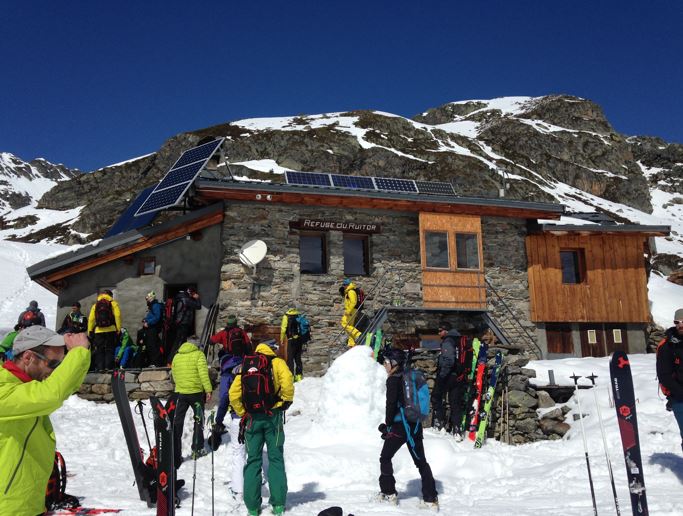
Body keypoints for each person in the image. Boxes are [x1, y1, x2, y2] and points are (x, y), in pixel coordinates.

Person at [0, 326, 90, 516]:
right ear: (28, 357)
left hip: (28, 504)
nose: (55, 373)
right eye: (54, 365)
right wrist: (78, 353)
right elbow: (51, 395)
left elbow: (66, 385)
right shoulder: (3, 389)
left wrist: (80, 356)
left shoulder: (24, 387)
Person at [229, 341, 294, 516]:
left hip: (252, 420)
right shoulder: (277, 362)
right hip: (273, 417)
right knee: (275, 459)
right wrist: (284, 402)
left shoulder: (246, 365)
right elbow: (287, 382)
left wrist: (244, 412)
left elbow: (233, 394)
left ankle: (252, 507)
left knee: (253, 461)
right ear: (271, 350)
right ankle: (278, 505)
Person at [377, 347, 438, 509]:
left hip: (399, 426)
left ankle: (389, 493)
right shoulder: (409, 376)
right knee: (421, 462)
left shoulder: (393, 379)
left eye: (386, 362)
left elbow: (390, 405)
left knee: (385, 457)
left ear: (393, 363)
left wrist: (387, 425)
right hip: (415, 425)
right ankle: (430, 498)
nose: (384, 365)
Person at [171, 336, 213, 465]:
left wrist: (180, 385)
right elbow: (203, 373)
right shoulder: (198, 355)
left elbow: (174, 374)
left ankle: (176, 455)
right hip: (195, 393)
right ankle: (197, 449)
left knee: (177, 423)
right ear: (196, 344)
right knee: (198, 420)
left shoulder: (176, 356)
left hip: (181, 393)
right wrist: (208, 390)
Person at [210, 352, 245, 497]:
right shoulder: (246, 368)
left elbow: (224, 398)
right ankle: (258, 480)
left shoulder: (227, 375)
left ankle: (238, 489)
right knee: (253, 451)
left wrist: (218, 420)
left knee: (238, 452)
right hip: (255, 415)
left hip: (238, 417)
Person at [431, 321, 470, 439]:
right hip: (459, 376)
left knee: (436, 397)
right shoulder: (458, 340)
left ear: (446, 331)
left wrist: (442, 375)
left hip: (448, 376)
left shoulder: (448, 341)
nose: (439, 333)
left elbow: (449, 360)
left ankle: (440, 424)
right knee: (455, 403)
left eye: (440, 330)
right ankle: (457, 429)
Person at [656, 308, 683, 452]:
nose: (680, 325)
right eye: (677, 322)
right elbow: (664, 375)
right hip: (679, 398)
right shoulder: (667, 346)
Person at [87, 289, 121, 371]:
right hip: (111, 329)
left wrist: (90, 331)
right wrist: (118, 329)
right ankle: (108, 367)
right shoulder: (113, 303)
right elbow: (117, 316)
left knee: (99, 349)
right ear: (111, 296)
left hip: (99, 331)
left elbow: (91, 319)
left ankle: (100, 367)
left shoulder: (96, 305)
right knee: (110, 349)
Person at [169, 287, 201, 361]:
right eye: (193, 293)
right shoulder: (186, 299)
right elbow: (198, 306)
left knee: (181, 342)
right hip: (183, 323)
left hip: (178, 323)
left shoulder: (179, 298)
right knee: (179, 342)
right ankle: (170, 360)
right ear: (190, 292)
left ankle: (180, 359)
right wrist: (197, 298)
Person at [280, 308, 305, 381]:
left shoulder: (286, 316)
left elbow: (283, 329)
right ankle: (299, 376)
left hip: (291, 340)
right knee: (298, 358)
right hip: (299, 340)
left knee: (290, 359)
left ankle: (291, 376)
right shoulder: (298, 315)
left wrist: (282, 338)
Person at [142, 291, 165, 366]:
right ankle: (154, 362)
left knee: (152, 345)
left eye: (147, 298)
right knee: (151, 345)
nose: (147, 300)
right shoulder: (152, 306)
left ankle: (155, 363)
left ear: (151, 298)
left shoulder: (155, 305)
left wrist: (148, 323)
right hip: (151, 328)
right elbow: (153, 316)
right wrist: (145, 319)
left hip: (153, 328)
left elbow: (157, 317)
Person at [340, 278, 362, 347]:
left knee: (344, 323)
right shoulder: (350, 291)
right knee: (350, 327)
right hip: (352, 310)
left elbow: (353, 302)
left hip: (351, 311)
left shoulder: (350, 292)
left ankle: (357, 334)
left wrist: (348, 311)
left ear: (347, 285)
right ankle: (351, 343)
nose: (343, 286)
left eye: (344, 285)